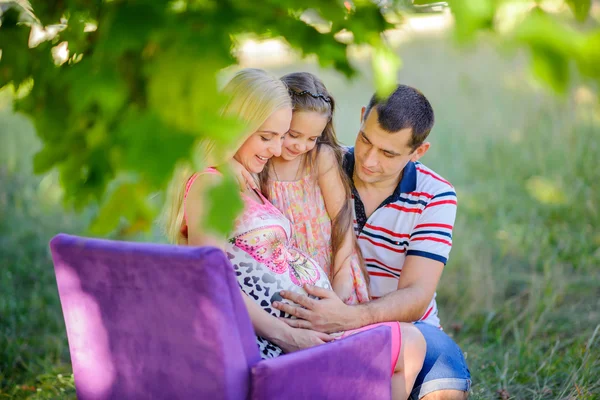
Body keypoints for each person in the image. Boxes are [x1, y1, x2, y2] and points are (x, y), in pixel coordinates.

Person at [163, 68, 426, 399]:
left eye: (280, 136)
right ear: (236, 126)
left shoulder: (241, 182)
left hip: (301, 327)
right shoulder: (210, 184)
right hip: (275, 342)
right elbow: (211, 280)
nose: (278, 149)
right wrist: (287, 335)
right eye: (267, 136)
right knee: (410, 344)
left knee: (412, 342)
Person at [272, 84, 471, 399]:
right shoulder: (322, 164)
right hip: (320, 322)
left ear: (418, 152)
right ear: (363, 117)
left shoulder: (434, 195)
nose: (368, 160)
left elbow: (417, 294)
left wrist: (348, 317)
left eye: (388, 154)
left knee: (444, 394)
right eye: (366, 139)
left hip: (411, 329)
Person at [256, 71, 370, 305]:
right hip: (285, 276)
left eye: (312, 138)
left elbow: (341, 219)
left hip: (331, 268)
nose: (301, 146)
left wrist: (341, 279)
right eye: (293, 135)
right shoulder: (261, 162)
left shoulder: (319, 158)